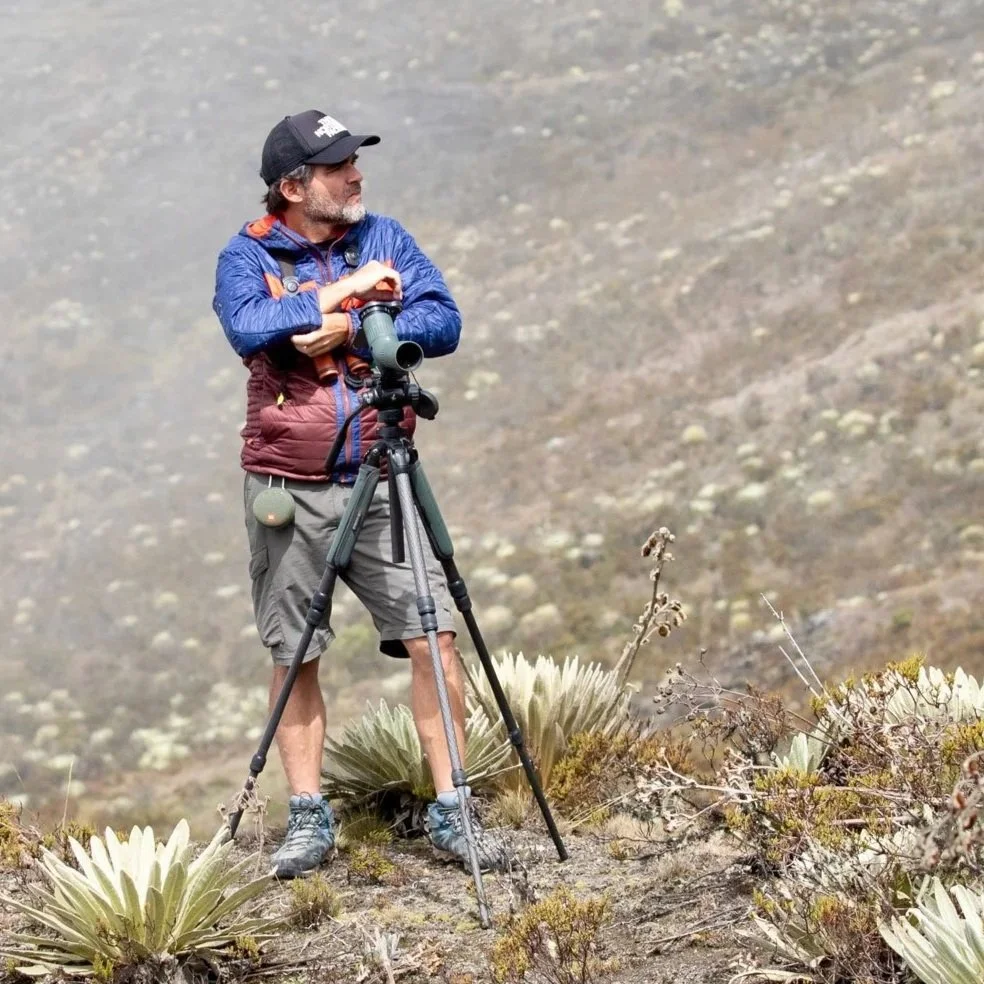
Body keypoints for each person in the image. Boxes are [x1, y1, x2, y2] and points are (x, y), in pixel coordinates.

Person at [212, 110, 506, 878]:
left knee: (434, 633)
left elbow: (443, 320)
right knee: (295, 649)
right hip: (289, 487)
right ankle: (308, 818)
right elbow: (248, 325)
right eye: (337, 165)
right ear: (292, 186)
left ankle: (454, 810)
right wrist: (341, 293)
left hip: (384, 471)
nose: (356, 174)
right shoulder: (247, 255)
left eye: (354, 159)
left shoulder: (387, 235)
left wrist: (350, 327)